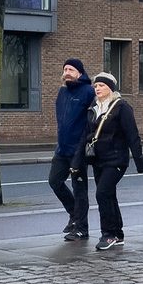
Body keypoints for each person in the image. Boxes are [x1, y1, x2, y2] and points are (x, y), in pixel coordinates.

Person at [73, 72, 143, 251]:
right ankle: (118, 234)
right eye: (95, 86)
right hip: (98, 159)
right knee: (109, 195)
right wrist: (76, 161)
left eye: (101, 85)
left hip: (116, 159)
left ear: (110, 89)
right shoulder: (94, 107)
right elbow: (85, 135)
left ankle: (109, 234)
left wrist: (139, 160)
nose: (97, 88)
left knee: (102, 193)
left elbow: (132, 135)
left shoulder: (122, 107)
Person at [49, 57, 95, 241]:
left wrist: (82, 146)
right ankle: (74, 214)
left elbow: (90, 123)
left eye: (71, 70)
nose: (67, 72)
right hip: (62, 149)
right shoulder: (63, 92)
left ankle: (82, 228)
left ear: (80, 73)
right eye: (65, 69)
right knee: (54, 181)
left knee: (79, 189)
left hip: (79, 150)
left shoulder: (88, 92)